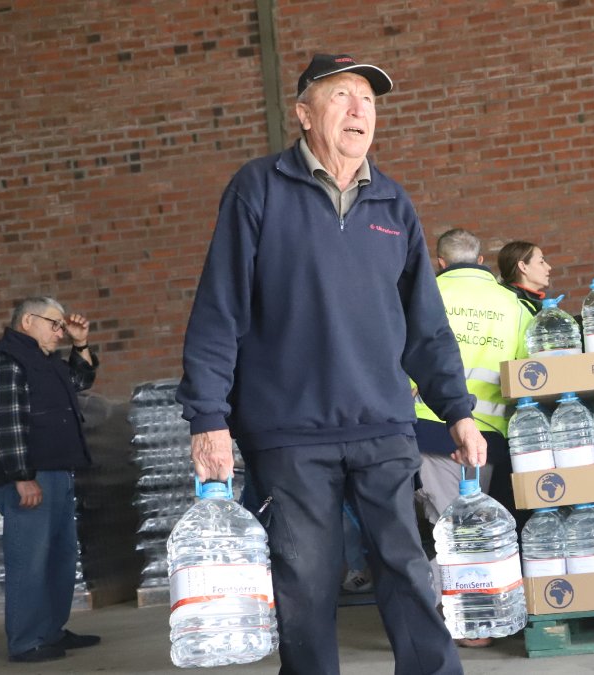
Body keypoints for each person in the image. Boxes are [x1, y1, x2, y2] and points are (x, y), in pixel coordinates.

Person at [176, 52, 485, 675]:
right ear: (303, 113)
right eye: (341, 95)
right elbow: (220, 309)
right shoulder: (259, 189)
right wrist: (207, 417)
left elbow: (426, 325)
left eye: (368, 99)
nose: (357, 109)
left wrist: (458, 410)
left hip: (382, 426)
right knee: (306, 588)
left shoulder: (393, 204)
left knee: (407, 574)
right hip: (291, 433)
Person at [413, 229, 532, 647]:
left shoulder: (422, 297)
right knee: (473, 528)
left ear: (439, 263)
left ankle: (457, 619)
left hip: (432, 430)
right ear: (482, 261)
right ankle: (470, 619)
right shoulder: (513, 305)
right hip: (489, 436)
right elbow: (526, 371)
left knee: (451, 527)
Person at [0, 297, 100, 663]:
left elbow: (81, 379)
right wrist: (22, 477)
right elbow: (3, 423)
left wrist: (80, 343)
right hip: (28, 476)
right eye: (55, 324)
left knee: (59, 557)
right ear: (28, 321)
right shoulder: (3, 361)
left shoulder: (46, 363)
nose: (60, 331)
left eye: (62, 326)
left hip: (56, 472)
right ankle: (27, 641)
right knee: (29, 559)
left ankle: (50, 631)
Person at [497, 241, 552, 315]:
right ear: (523, 267)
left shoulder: (512, 300)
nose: (549, 267)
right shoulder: (519, 307)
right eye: (541, 262)